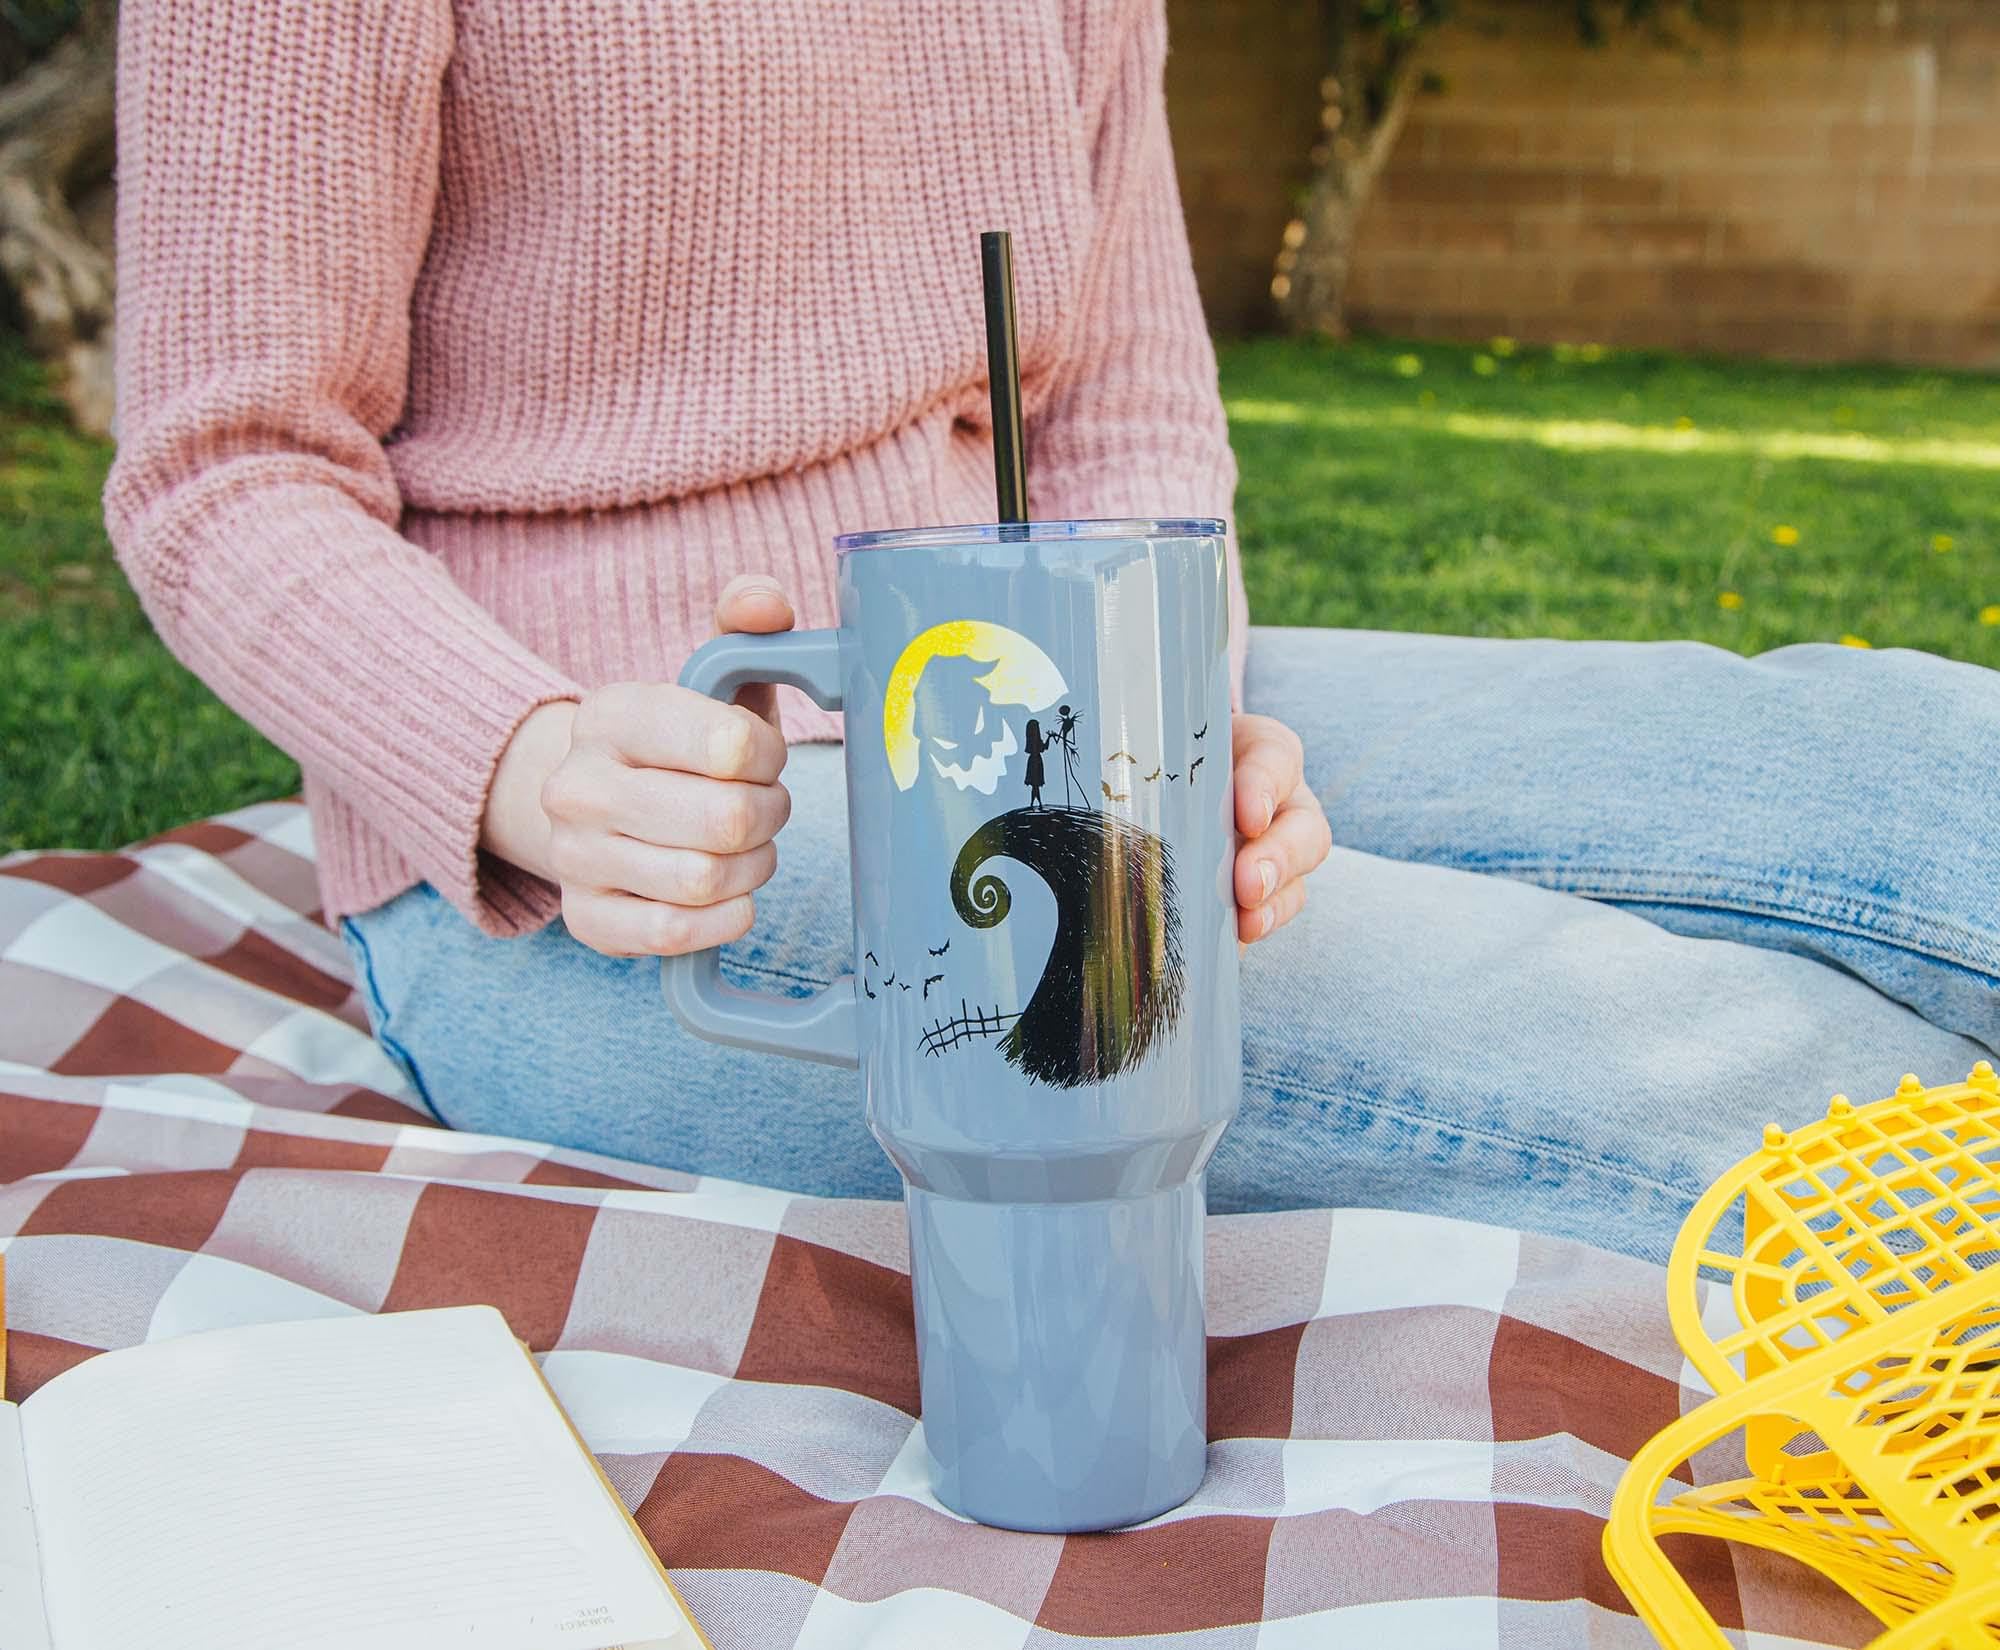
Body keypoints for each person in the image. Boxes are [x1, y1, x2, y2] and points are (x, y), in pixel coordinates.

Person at [106, 0, 2000, 1267]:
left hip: (1057, 677)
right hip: (600, 870)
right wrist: (519, 765)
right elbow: (221, 465)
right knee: (1726, 1060)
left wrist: (1199, 695)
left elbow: (1125, 413)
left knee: (1904, 757)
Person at [1023, 719, 1050, 811]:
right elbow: (1044, 747)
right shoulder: (1036, 740)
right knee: (1035, 784)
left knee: (1035, 784)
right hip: (1036, 761)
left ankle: (1035, 802)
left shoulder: (1032, 741)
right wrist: (1049, 737)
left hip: (1034, 760)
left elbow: (1044, 748)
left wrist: (1049, 737)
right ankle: (1038, 802)